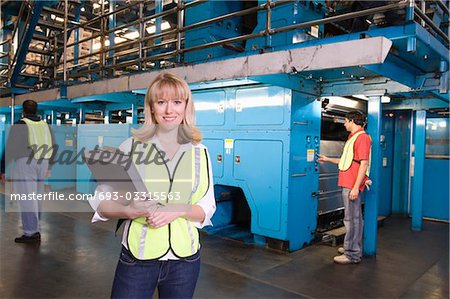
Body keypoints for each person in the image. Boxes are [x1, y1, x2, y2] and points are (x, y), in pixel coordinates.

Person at [89, 72, 216, 298]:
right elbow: (102, 202)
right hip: (137, 261)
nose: (169, 110)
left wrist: (177, 209)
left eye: (177, 102)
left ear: (186, 107)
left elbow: (206, 208)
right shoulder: (130, 147)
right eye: (161, 102)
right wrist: (127, 210)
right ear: (151, 108)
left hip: (185, 262)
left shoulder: (200, 152)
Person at [318, 111, 371, 264]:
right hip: (348, 182)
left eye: (346, 121)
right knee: (354, 218)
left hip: (351, 184)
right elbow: (348, 160)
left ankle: (352, 254)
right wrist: (327, 159)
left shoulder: (361, 138)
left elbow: (364, 163)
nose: (344, 124)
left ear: (353, 121)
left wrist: (355, 187)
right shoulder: (354, 137)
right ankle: (351, 246)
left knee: (352, 219)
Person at [1, 99, 54, 243]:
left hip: (26, 163)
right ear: (36, 110)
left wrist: (2, 168)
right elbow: (52, 144)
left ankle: (30, 233)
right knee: (37, 197)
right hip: (43, 162)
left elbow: (10, 147)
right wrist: (49, 165)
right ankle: (35, 230)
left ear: (23, 111)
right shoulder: (45, 125)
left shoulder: (20, 124)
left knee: (27, 198)